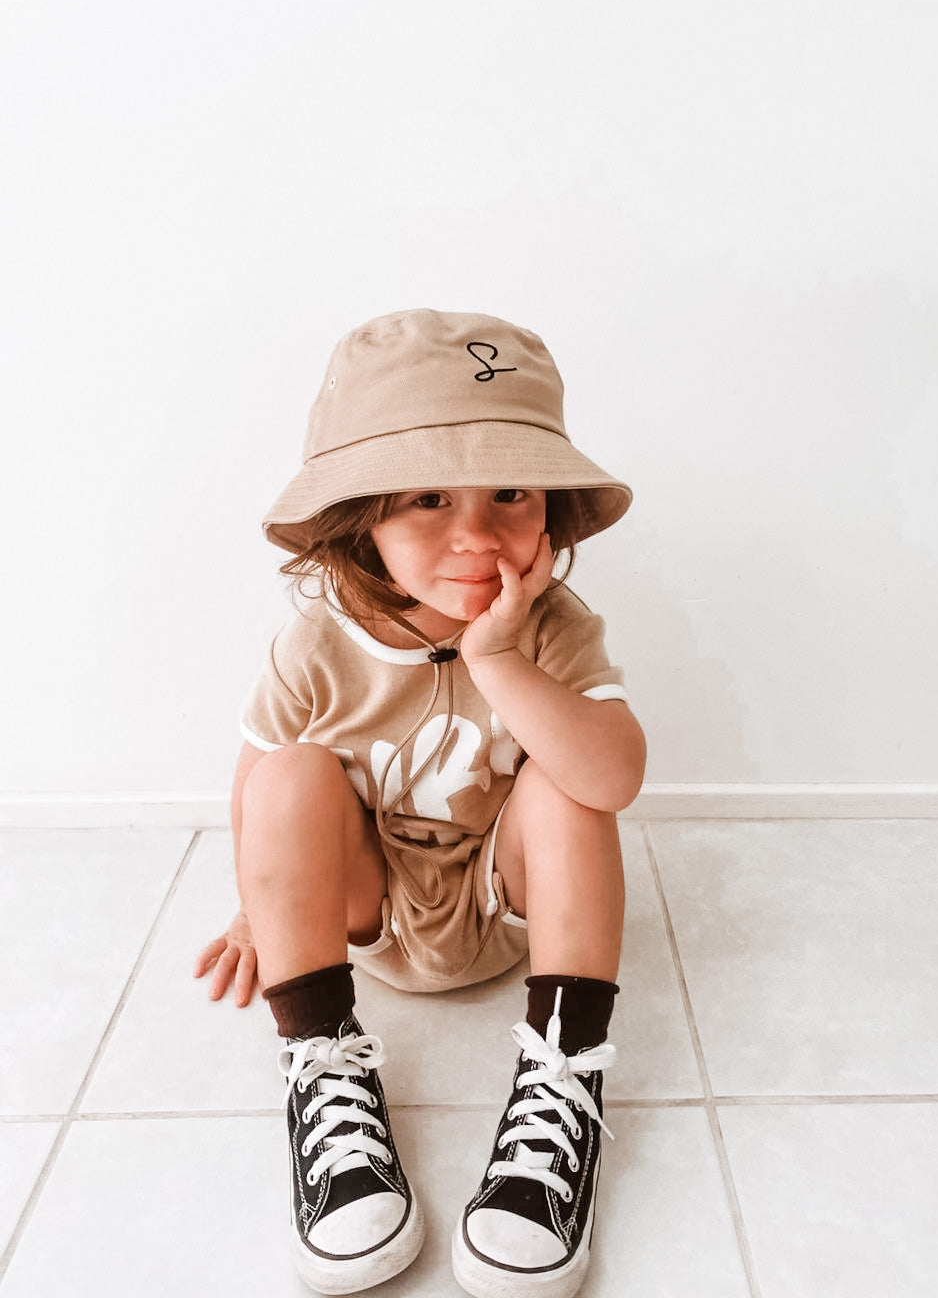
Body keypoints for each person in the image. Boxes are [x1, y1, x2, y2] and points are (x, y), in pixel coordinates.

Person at [194, 308, 646, 1298]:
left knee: (569, 789)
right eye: (430, 498)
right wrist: (252, 910)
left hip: (504, 904)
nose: (477, 534)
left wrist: (498, 657)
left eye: (510, 493)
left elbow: (613, 778)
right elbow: (254, 793)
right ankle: (321, 1058)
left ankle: (565, 1072)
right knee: (289, 773)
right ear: (360, 516)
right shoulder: (317, 646)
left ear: (549, 508)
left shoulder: (552, 627)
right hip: (368, 910)